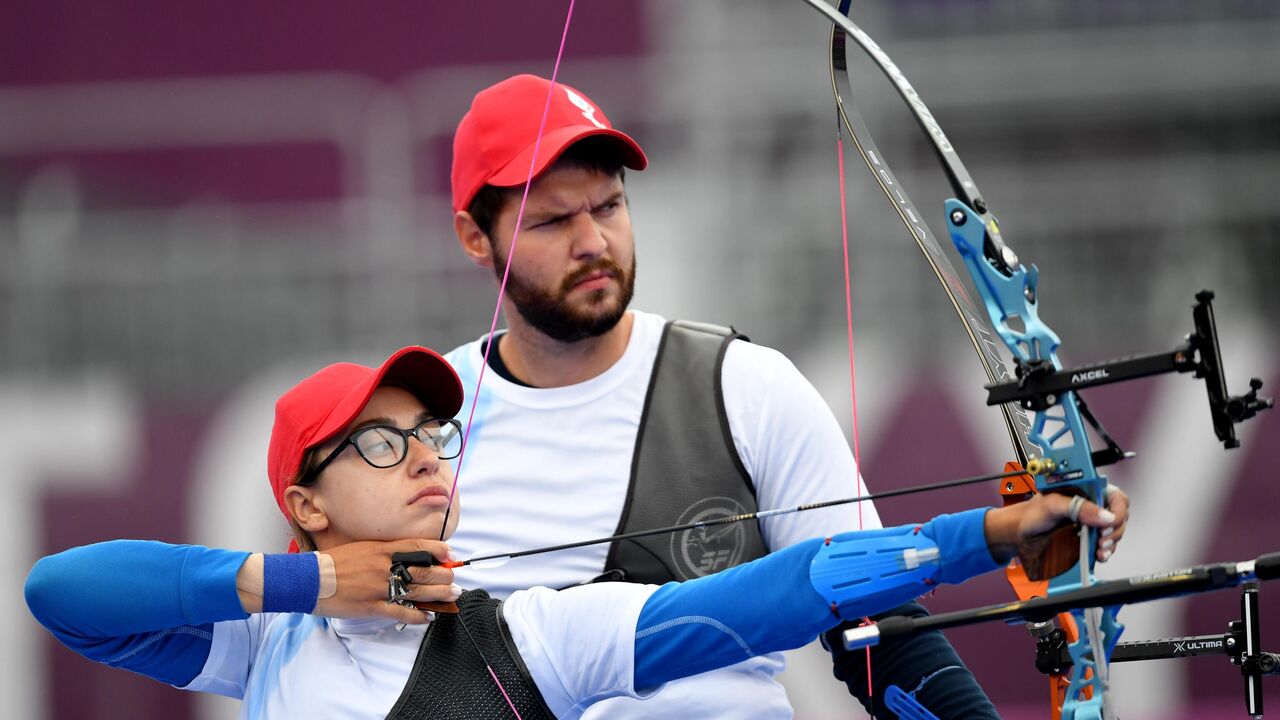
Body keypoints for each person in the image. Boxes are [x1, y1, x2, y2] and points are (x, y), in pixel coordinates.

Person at [443, 74, 1129, 719]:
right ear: (477, 237)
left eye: (610, 206)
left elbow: (876, 626)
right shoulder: (425, 426)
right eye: (554, 221)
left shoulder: (745, 387)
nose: (594, 242)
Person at [24, 345, 1129, 719]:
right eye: (376, 444)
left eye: (431, 439)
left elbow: (771, 594)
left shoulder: (527, 638)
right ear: (305, 503)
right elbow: (64, 592)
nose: (421, 457)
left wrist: (982, 533)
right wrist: (308, 588)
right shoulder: (262, 641)